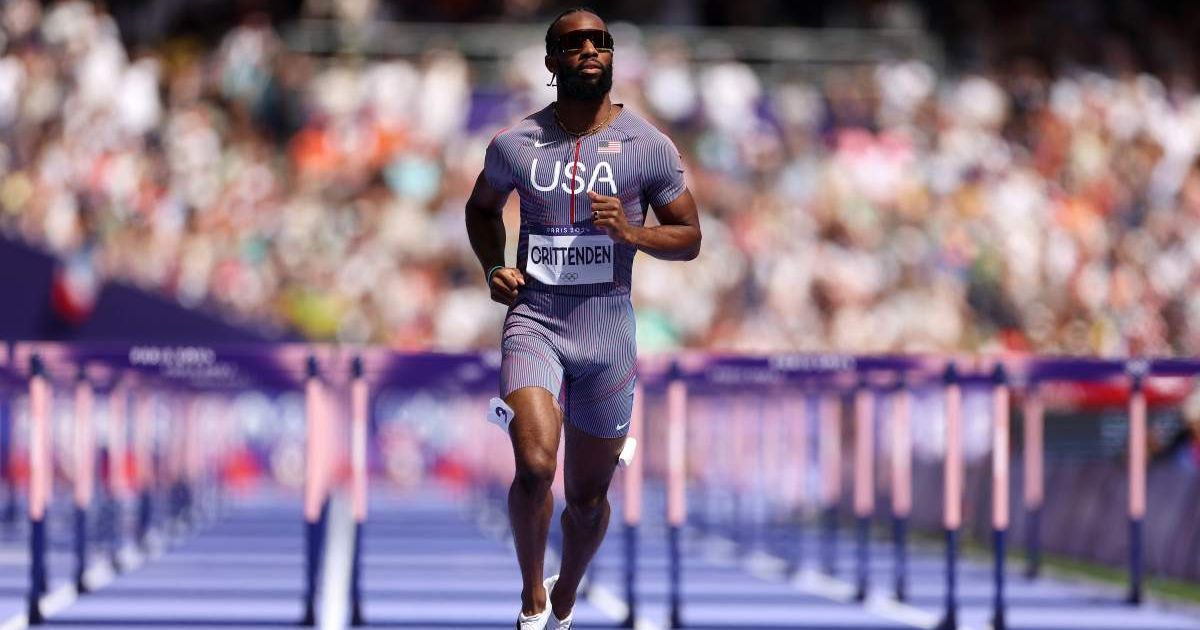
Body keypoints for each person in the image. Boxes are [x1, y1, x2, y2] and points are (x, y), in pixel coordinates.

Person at [465, 7, 702, 629]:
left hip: (608, 332)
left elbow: (690, 235)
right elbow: (481, 209)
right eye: (574, 43)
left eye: (600, 41)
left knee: (590, 499)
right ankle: (531, 598)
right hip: (534, 321)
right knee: (536, 464)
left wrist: (630, 230)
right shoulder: (514, 144)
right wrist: (495, 268)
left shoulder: (648, 146)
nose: (589, 50)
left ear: (613, 57)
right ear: (552, 61)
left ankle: (565, 591)